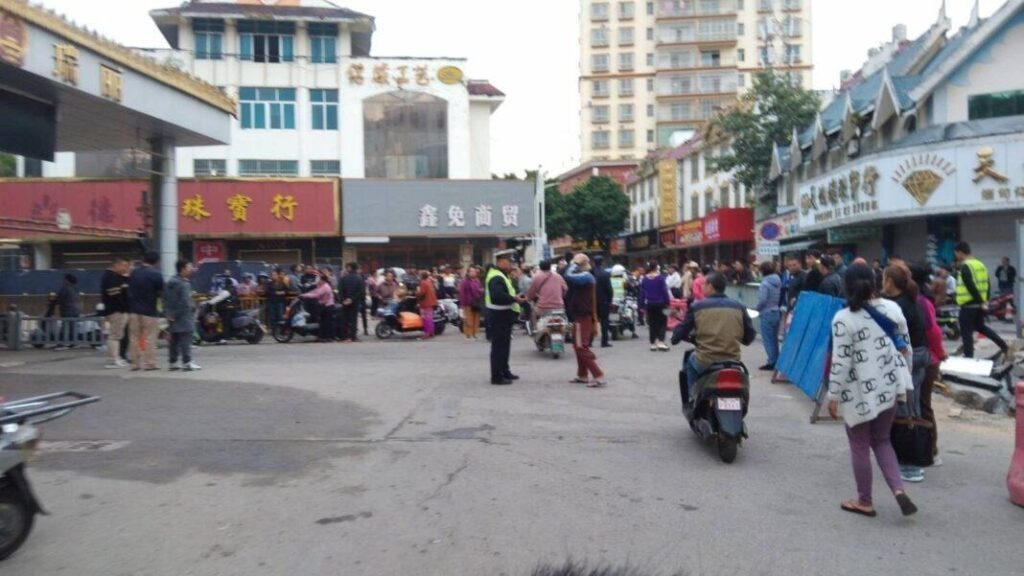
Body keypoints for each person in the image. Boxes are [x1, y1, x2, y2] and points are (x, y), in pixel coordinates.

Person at [826, 263, 918, 518]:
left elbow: (841, 361)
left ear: (846, 285)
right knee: (882, 440)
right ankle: (898, 490)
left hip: (859, 392)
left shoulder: (843, 318)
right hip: (890, 385)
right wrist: (905, 381)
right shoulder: (893, 308)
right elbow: (905, 348)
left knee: (859, 444)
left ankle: (865, 500)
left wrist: (832, 395)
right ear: (876, 282)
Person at [672, 273, 756, 405]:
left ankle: (692, 397)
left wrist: (676, 336)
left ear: (710, 286)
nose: (702, 287)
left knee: (690, 362)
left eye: (704, 284)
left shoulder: (697, 307)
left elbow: (681, 331)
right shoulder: (738, 306)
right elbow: (749, 336)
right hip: (733, 361)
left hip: (706, 361)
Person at [882, 263, 929, 483]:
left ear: (889, 282)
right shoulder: (912, 301)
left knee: (906, 411)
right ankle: (914, 459)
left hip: (909, 359)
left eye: (883, 278)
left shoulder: (898, 306)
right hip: (919, 355)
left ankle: (911, 467)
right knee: (912, 407)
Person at [911, 263, 946, 467]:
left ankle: (931, 451)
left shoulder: (921, 301)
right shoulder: (917, 299)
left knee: (923, 405)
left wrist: (940, 353)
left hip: (928, 359)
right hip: (927, 357)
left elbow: (933, 331)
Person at [955, 241, 1008, 358]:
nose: (956, 257)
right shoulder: (980, 264)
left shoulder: (965, 266)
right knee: (981, 327)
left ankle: (969, 357)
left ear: (960, 252)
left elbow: (970, 285)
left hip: (968, 305)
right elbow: (987, 284)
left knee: (966, 332)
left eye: (956, 254)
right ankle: (1003, 345)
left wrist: (981, 300)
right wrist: (985, 300)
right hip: (979, 305)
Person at [565, 254, 607, 388]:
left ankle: (598, 374)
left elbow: (568, 275)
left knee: (580, 346)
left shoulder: (586, 276)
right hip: (580, 314)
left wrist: (574, 264)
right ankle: (582, 375)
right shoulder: (585, 276)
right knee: (579, 344)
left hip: (583, 315)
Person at [486, 252, 525, 385]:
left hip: (504, 315)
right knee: (499, 347)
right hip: (498, 315)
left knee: (505, 346)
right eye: (509, 261)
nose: (510, 264)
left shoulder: (502, 275)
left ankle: (504, 370)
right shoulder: (496, 277)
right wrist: (514, 299)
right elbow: (497, 296)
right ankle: (497, 376)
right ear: (500, 262)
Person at [128, 252, 164, 371]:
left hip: (133, 310)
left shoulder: (134, 272)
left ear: (143, 259)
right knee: (150, 338)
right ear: (156, 261)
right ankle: (149, 363)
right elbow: (162, 292)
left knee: (134, 338)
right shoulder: (156, 274)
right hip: (149, 310)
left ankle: (135, 364)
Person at [165, 260, 200, 371]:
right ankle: (187, 362)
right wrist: (177, 314)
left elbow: (165, 299)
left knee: (174, 340)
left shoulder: (170, 282)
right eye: (189, 267)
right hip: (184, 316)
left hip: (171, 315)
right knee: (186, 339)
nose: (191, 269)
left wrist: (169, 314)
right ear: (183, 269)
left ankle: (173, 362)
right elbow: (185, 302)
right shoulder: (184, 284)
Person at [101, 257, 131, 368]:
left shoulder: (117, 277)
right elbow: (116, 296)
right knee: (114, 336)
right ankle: (113, 359)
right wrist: (124, 307)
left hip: (119, 310)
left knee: (118, 335)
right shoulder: (111, 277)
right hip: (116, 311)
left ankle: (117, 357)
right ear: (116, 265)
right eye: (124, 266)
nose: (126, 268)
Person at [639, 262, 672, 352]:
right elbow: (664, 291)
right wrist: (668, 302)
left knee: (652, 323)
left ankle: (652, 343)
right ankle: (661, 341)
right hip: (661, 304)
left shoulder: (645, 279)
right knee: (662, 322)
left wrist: (641, 305)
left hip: (650, 304)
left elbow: (642, 293)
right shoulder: (660, 278)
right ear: (656, 268)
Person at [756, 261, 783, 371]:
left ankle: (771, 361)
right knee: (774, 338)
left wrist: (756, 308)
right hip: (776, 311)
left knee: (767, 339)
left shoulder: (765, 284)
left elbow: (762, 300)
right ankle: (777, 359)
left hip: (766, 312)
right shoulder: (778, 281)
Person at [299, 273, 335, 343]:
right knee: (322, 322)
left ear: (323, 280)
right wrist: (305, 294)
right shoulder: (321, 286)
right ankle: (322, 336)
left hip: (327, 306)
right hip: (324, 305)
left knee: (326, 322)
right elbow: (314, 291)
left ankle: (328, 337)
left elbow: (316, 294)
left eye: (319, 280)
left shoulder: (325, 287)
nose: (317, 281)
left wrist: (304, 295)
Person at [52, 273, 81, 350]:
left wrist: (53, 302)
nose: (63, 281)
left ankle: (61, 343)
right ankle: (73, 342)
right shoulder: (75, 288)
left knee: (64, 327)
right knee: (73, 327)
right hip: (76, 310)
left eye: (64, 279)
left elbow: (60, 298)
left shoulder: (65, 288)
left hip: (67, 310)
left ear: (67, 280)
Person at [337, 263, 365, 342]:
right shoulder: (359, 279)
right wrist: (352, 299)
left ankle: (344, 336)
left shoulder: (343, 278)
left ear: (349, 268)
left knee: (344, 319)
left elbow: (340, 290)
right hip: (355, 302)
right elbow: (361, 291)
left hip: (344, 302)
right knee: (353, 319)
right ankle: (353, 336)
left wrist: (343, 300)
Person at [593, 255, 614, 348]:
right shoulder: (605, 274)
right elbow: (609, 289)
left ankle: (589, 341)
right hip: (603, 301)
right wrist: (609, 300)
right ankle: (604, 341)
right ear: (602, 262)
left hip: (592, 301)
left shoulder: (590, 273)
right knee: (604, 321)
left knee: (592, 320)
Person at [459, 266, 484, 340]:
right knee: (468, 320)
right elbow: (462, 293)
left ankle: (475, 333)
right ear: (468, 273)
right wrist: (462, 304)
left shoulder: (477, 280)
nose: (474, 272)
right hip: (468, 303)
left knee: (476, 319)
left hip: (476, 302)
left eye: (474, 271)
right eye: (471, 271)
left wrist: (481, 292)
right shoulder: (465, 282)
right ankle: (468, 335)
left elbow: (479, 290)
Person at [416, 270, 438, 339]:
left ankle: (427, 333)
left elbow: (422, 293)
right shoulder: (429, 282)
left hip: (425, 303)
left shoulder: (423, 283)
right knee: (430, 318)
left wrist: (416, 293)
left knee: (426, 319)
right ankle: (431, 332)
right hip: (431, 302)